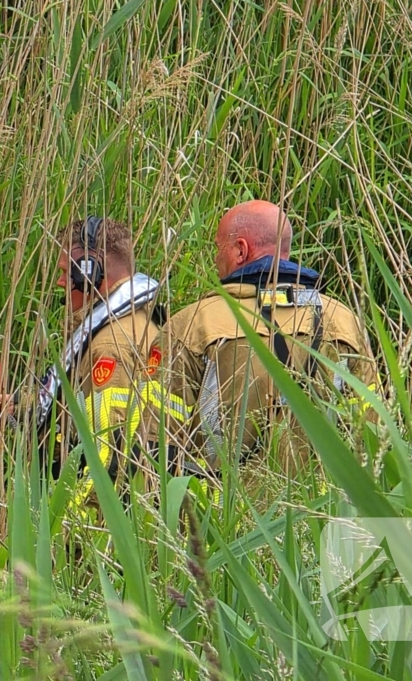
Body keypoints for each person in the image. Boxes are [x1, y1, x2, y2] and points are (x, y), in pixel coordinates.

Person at [144, 199, 378, 480]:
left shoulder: (193, 325)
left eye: (219, 248)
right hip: (320, 517)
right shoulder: (344, 321)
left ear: (241, 250)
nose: (216, 259)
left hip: (218, 517)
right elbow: (373, 435)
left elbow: (154, 445)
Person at [31, 216, 164, 508]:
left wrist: (68, 532)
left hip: (96, 520)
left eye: (67, 272)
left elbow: (107, 455)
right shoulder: (139, 323)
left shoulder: (108, 345)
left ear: (90, 271)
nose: (60, 282)